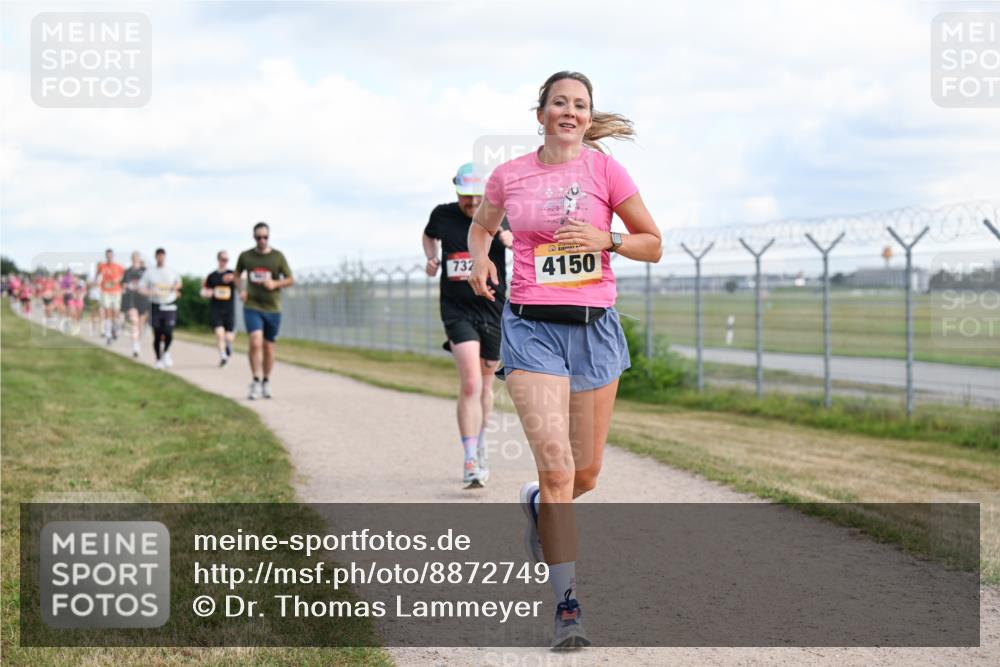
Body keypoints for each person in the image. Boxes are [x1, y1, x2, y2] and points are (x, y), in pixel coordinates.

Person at [468, 71, 662, 649]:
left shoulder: (606, 172)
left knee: (584, 475)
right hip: (531, 330)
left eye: (580, 105)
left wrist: (609, 241)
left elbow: (653, 242)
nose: (569, 112)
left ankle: (535, 505)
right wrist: (481, 260)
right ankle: (568, 607)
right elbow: (483, 226)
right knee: (556, 468)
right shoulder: (510, 175)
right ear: (541, 113)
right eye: (560, 103)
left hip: (595, 331)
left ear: (587, 115)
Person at [423, 163, 512, 488]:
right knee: (472, 383)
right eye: (466, 197)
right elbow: (429, 235)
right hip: (456, 308)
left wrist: (508, 235)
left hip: (491, 307)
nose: (472, 204)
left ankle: (481, 441)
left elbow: (521, 237)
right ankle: (470, 458)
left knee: (487, 387)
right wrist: (431, 258)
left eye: (477, 197)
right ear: (456, 191)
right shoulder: (443, 215)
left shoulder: (499, 214)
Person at [234, 222, 293, 399]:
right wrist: (241, 290)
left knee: (268, 347)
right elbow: (237, 276)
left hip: (273, 307)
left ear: (269, 237)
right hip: (252, 306)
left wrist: (275, 283)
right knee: (255, 341)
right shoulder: (246, 256)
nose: (262, 240)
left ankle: (266, 380)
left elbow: (290, 279)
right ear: (254, 237)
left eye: (265, 237)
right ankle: (255, 379)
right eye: (258, 237)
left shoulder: (277, 257)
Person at [139, 248, 181, 370]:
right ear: (156, 257)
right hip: (155, 305)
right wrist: (150, 292)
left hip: (169, 304)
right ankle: (158, 359)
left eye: (163, 256)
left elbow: (179, 284)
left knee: (168, 332)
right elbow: (141, 288)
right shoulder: (149, 272)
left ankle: (166, 351)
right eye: (159, 256)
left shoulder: (172, 271)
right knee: (157, 333)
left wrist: (174, 287)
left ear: (165, 257)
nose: (161, 258)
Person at [201, 250, 237, 367]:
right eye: (223, 259)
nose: (225, 262)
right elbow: (204, 290)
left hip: (229, 309)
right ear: (218, 259)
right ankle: (223, 356)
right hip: (216, 309)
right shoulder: (212, 276)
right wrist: (207, 293)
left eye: (227, 259)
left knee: (229, 337)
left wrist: (234, 277)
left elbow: (244, 277)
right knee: (219, 334)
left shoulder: (232, 273)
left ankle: (229, 346)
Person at [121, 252, 149, 358]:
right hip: (131, 299)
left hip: (142, 299)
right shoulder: (127, 272)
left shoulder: (145, 271)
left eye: (137, 258)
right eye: (133, 258)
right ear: (131, 259)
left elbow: (149, 283)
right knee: (134, 322)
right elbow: (124, 284)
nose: (135, 259)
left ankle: (138, 343)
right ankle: (135, 347)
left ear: (139, 259)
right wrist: (125, 288)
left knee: (140, 324)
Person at [94, 248, 125, 345]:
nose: (109, 257)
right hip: (105, 291)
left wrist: (118, 280)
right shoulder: (102, 266)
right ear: (106, 256)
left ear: (113, 256)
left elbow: (124, 276)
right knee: (107, 312)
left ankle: (114, 330)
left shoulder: (118, 266)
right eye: (107, 255)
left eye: (110, 255)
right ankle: (108, 335)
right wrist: (96, 283)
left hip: (116, 291)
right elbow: (97, 275)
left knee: (116, 313)